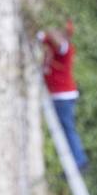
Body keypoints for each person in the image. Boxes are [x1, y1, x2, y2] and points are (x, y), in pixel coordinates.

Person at [39, 22, 88, 171]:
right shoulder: (54, 45)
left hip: (63, 96)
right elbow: (41, 37)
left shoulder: (65, 49)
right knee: (65, 128)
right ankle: (78, 160)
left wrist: (50, 28)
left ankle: (80, 161)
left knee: (67, 129)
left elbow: (54, 39)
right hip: (60, 95)